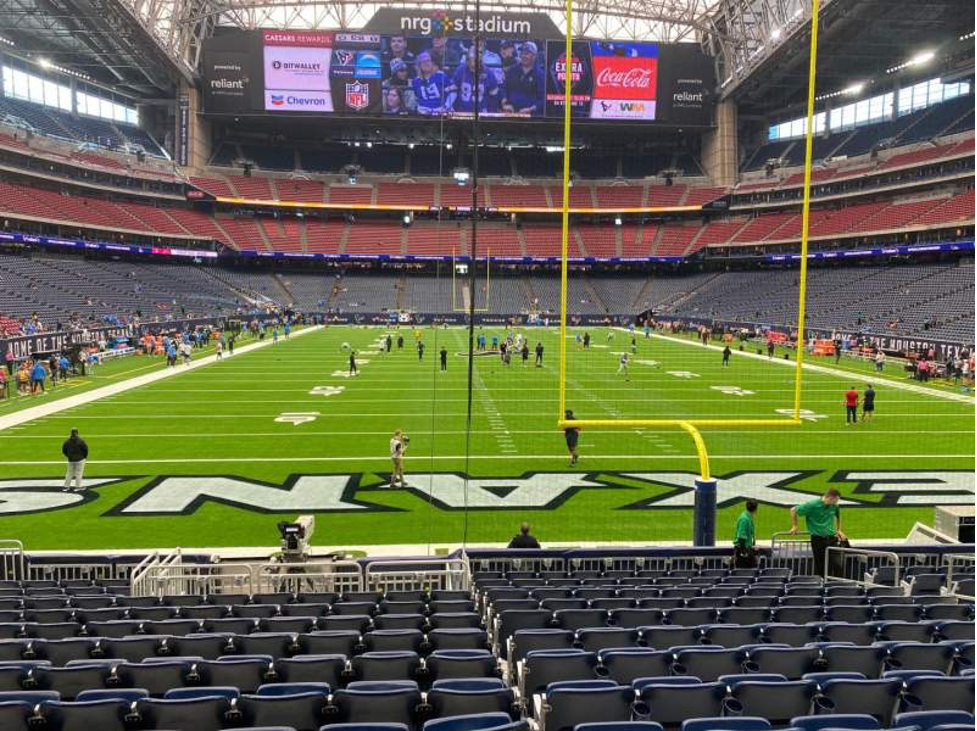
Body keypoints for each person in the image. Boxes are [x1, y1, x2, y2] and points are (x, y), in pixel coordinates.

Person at [790, 488, 846, 578]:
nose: (836, 503)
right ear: (830, 498)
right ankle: (824, 584)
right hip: (818, 540)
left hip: (832, 539)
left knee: (838, 564)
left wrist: (838, 530)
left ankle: (837, 584)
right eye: (835, 500)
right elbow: (793, 510)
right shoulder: (812, 505)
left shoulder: (834, 506)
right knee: (821, 567)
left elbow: (838, 516)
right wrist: (795, 526)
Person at [501, 41, 544, 115]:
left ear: (534, 56)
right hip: (511, 112)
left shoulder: (540, 74)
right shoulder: (512, 70)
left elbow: (543, 99)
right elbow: (504, 88)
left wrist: (531, 109)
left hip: (531, 115)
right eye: (522, 53)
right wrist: (504, 103)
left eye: (526, 53)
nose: (523, 56)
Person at [412, 51, 449, 116]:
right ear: (419, 65)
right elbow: (417, 98)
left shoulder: (442, 76)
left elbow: (452, 92)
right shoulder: (416, 81)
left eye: (428, 61)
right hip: (423, 112)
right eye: (423, 62)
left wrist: (446, 106)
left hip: (441, 111)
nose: (426, 63)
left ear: (432, 63)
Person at [733, 499, 758, 568]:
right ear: (756, 509)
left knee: (752, 570)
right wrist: (744, 552)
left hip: (747, 549)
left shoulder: (747, 517)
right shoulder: (745, 519)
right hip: (743, 550)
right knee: (743, 572)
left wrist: (752, 546)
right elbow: (741, 537)